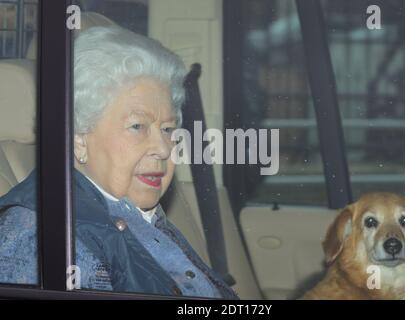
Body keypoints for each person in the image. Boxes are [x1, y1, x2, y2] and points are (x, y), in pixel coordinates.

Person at [0, 25, 238, 299]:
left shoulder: (138, 217)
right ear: (78, 138)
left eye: (168, 129)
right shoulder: (45, 238)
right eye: (138, 126)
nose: (163, 148)